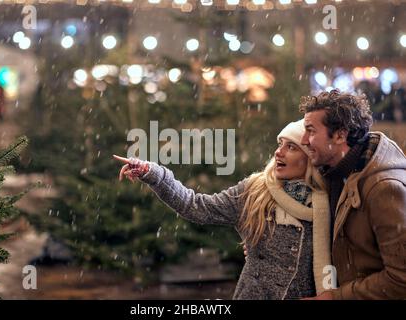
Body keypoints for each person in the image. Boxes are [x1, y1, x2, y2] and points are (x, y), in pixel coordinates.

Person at [114, 119, 331, 300]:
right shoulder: (254, 190)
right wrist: (152, 173)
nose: (279, 153)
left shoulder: (331, 200)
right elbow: (195, 206)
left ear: (310, 156)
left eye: (291, 147)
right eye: (280, 144)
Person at [299, 89, 406, 300]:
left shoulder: (383, 188)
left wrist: (336, 297)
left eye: (311, 131)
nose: (304, 140)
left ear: (340, 135)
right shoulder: (335, 173)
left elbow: (401, 279)